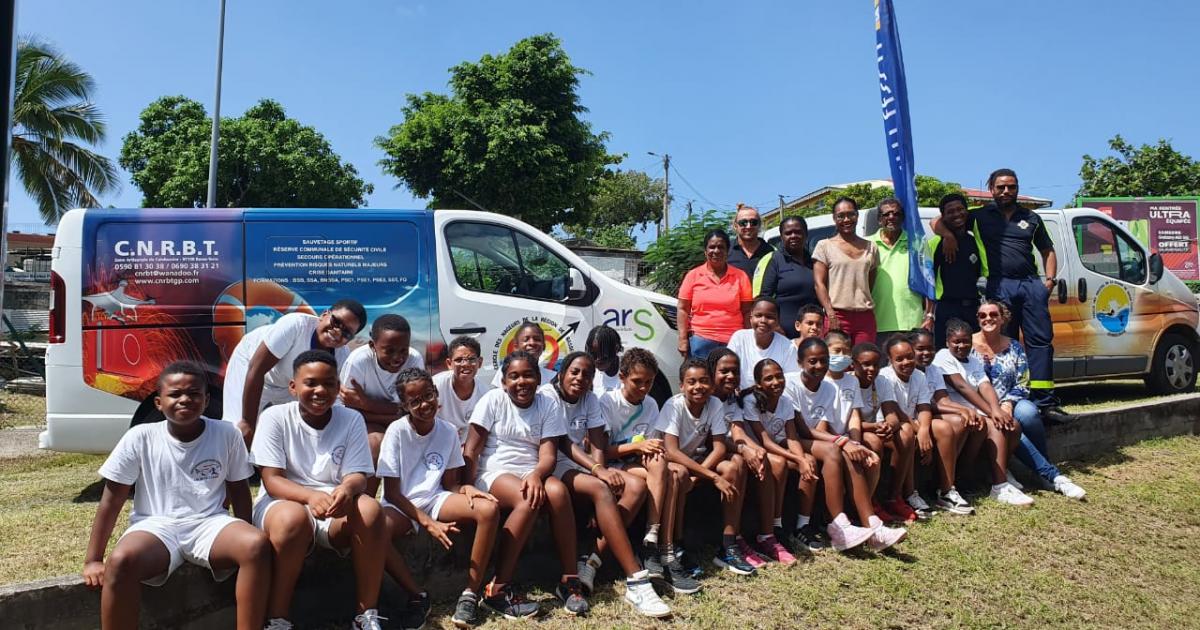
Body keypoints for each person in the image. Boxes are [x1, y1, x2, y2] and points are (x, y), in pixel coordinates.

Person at [83, 362, 270, 630]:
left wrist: (244, 529)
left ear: (206, 400)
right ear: (159, 402)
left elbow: (239, 491)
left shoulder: (227, 434)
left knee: (256, 545)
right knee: (122, 561)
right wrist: (93, 559)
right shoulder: (140, 437)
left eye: (194, 393)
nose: (185, 399)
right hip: (156, 526)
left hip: (209, 523)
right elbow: (111, 501)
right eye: (175, 394)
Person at [249, 350, 388, 630]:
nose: (319, 391)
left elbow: (357, 474)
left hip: (332, 505)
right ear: (293, 387)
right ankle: (278, 618)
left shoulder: (350, 419)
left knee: (370, 510)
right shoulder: (275, 417)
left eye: (328, 384)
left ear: (338, 388)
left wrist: (347, 489)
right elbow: (272, 480)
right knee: (292, 519)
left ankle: (366, 614)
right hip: (284, 502)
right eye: (310, 383)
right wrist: (311, 497)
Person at [544, 352, 671, 618]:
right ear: (562, 372)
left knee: (635, 487)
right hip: (555, 464)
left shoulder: (590, 399)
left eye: (588, 375)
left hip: (585, 465)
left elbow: (597, 442)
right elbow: (563, 443)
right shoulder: (548, 396)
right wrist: (598, 471)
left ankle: (590, 561)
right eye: (575, 372)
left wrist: (598, 470)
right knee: (602, 490)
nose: (581, 379)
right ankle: (636, 580)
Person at [932, 169, 1063, 417]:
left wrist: (1049, 281)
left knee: (1041, 342)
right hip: (1000, 285)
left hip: (1031, 285)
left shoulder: (1032, 218)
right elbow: (939, 220)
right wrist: (947, 235)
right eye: (1000, 187)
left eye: (1011, 187)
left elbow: (1048, 250)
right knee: (1003, 344)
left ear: (1017, 188)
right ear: (991, 189)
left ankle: (1045, 402)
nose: (1006, 191)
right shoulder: (980, 216)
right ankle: (1006, 401)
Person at [377, 368, 501, 629]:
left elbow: (450, 484)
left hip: (435, 499)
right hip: (402, 504)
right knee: (376, 529)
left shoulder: (448, 430)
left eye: (429, 395)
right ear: (405, 405)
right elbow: (391, 493)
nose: (425, 404)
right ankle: (417, 595)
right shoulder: (396, 432)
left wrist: (466, 489)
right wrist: (426, 523)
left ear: (436, 394)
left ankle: (470, 593)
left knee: (488, 509)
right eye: (415, 401)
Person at [463, 351, 578, 619]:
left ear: (539, 379)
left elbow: (548, 454)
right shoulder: (493, 400)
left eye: (528, 375)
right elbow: (472, 448)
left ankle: (569, 580)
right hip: (495, 472)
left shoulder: (548, 404)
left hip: (533, 470)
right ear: (503, 382)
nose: (521, 381)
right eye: (513, 376)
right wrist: (467, 485)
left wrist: (537, 474)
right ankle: (497, 588)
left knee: (559, 492)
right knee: (528, 498)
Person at [785, 339, 907, 552]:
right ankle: (839, 526)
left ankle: (873, 525)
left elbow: (821, 428)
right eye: (812, 361)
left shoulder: (828, 388)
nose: (819, 366)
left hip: (814, 439)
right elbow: (800, 429)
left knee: (851, 453)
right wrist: (843, 441)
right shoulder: (790, 383)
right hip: (789, 437)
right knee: (836, 449)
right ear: (799, 362)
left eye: (823, 361)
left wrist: (852, 444)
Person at [599, 349, 700, 595]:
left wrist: (647, 448)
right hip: (615, 465)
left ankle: (657, 543)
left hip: (641, 464)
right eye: (637, 382)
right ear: (622, 377)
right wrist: (637, 446)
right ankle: (659, 548)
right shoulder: (607, 402)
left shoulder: (651, 403)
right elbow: (602, 451)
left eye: (649, 382)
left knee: (675, 473)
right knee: (669, 474)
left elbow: (653, 446)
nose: (643, 388)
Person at [972, 300, 1086, 499]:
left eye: (993, 315)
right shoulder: (968, 345)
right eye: (982, 315)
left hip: (1011, 400)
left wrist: (1007, 403)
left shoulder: (1014, 346)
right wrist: (994, 409)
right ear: (977, 319)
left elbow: (1023, 381)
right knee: (1009, 425)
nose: (988, 318)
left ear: (1002, 319)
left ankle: (1043, 466)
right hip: (981, 406)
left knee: (1029, 413)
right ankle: (1051, 474)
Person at [654, 358, 755, 576]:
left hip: (698, 463)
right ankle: (678, 545)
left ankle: (728, 543)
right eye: (691, 382)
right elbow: (671, 451)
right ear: (681, 386)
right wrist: (712, 477)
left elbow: (719, 448)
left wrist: (700, 477)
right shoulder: (674, 405)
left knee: (731, 468)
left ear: (711, 384)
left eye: (703, 381)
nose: (698, 387)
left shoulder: (714, 404)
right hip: (675, 462)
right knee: (679, 476)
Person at [223, 299, 367, 445]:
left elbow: (335, 401)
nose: (337, 332)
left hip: (290, 385)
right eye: (336, 322)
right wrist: (248, 422)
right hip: (252, 369)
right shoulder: (295, 325)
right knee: (237, 431)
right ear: (324, 314)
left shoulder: (342, 357)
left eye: (346, 333)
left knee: (296, 435)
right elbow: (256, 369)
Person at [933, 319, 1033, 507]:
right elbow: (962, 387)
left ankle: (994, 472)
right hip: (955, 411)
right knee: (994, 426)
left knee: (1013, 426)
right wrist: (991, 413)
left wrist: (996, 410)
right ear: (947, 342)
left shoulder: (973, 360)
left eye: (965, 341)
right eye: (956, 341)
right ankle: (998, 485)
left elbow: (985, 385)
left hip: (975, 411)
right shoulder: (943, 356)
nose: (961, 346)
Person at [338, 314, 425, 494]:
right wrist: (396, 413)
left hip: (400, 421)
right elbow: (349, 412)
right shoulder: (359, 361)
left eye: (403, 350)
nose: (398, 357)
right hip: (365, 423)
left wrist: (366, 404)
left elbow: (415, 410)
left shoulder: (414, 360)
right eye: (389, 350)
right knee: (375, 444)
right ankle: (365, 502)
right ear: (373, 346)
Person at [738, 358, 812, 565]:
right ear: (758, 383)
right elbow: (765, 441)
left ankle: (799, 526)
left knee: (810, 462)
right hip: (755, 448)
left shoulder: (786, 401)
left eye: (779, 376)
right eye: (769, 378)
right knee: (779, 463)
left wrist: (803, 459)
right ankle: (770, 530)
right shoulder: (751, 401)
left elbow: (792, 437)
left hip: (772, 448)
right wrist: (798, 458)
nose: (776, 381)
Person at [908, 328, 975, 515]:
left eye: (930, 348)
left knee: (961, 420)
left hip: (926, 413)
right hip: (912, 418)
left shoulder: (933, 369)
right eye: (920, 349)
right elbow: (917, 407)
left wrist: (964, 409)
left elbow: (941, 400)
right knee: (945, 427)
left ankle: (945, 486)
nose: (926, 353)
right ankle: (939, 485)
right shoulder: (905, 370)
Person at [872, 338, 927, 524]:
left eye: (910, 357)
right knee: (906, 435)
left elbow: (924, 406)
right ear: (889, 360)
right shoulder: (885, 376)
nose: (906, 362)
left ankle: (897, 497)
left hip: (897, 424)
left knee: (909, 434)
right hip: (880, 426)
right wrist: (913, 427)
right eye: (899, 359)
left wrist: (924, 430)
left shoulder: (919, 375)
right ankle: (888, 498)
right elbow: (893, 409)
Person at [677, 228, 753, 358]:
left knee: (731, 378)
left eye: (721, 247)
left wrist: (748, 340)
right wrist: (683, 339)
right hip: (701, 341)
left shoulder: (741, 276)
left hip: (733, 341)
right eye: (712, 247)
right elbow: (683, 308)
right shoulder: (693, 275)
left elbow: (747, 312)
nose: (716, 251)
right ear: (705, 251)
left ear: (727, 251)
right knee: (703, 378)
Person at [813, 197, 879, 346]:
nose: (846, 219)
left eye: (851, 214)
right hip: (837, 315)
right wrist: (830, 314)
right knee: (839, 362)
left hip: (865, 317)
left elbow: (870, 280)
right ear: (834, 219)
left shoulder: (871, 247)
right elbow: (819, 284)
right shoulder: (824, 246)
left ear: (857, 215)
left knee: (864, 361)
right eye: (841, 216)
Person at [869, 198, 933, 345]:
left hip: (911, 323)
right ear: (879, 219)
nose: (891, 217)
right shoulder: (867, 245)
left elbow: (929, 280)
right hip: (877, 323)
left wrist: (929, 315)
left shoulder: (918, 245)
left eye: (896, 214)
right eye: (886, 214)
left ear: (903, 218)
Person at [929, 193, 983, 347]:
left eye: (960, 209)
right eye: (950, 212)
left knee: (974, 352)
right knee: (945, 353)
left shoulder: (976, 242)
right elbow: (928, 279)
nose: (956, 214)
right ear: (943, 216)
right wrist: (929, 313)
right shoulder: (936, 243)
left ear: (967, 211)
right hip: (947, 308)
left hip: (973, 308)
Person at [754, 215, 817, 338]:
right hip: (782, 334)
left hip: (811, 332)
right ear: (782, 236)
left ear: (805, 234)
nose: (793, 235)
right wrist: (775, 326)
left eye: (798, 232)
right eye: (788, 233)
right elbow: (764, 298)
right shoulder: (775, 260)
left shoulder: (815, 261)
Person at [726, 297, 798, 389]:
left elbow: (790, 381)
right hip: (741, 397)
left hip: (774, 399)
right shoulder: (739, 338)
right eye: (758, 315)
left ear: (777, 321)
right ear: (751, 318)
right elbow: (729, 369)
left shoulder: (788, 347)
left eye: (769, 317)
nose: (763, 321)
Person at [433, 336, 491, 443]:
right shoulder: (435, 386)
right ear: (449, 364)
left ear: (480, 362)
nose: (465, 364)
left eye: (471, 359)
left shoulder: (485, 394)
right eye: (459, 360)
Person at [489, 322, 558, 388]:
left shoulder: (552, 377)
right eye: (526, 339)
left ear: (544, 346)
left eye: (537, 339)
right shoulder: (505, 372)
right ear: (516, 346)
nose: (532, 343)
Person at [727, 203, 775, 279]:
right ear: (735, 226)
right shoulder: (725, 250)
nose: (749, 226)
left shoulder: (770, 252)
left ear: (759, 225)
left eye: (753, 222)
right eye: (743, 223)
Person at [586, 324, 624, 394]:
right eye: (593, 355)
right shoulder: (589, 373)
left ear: (616, 349)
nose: (597, 359)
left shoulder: (629, 371)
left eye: (603, 354)